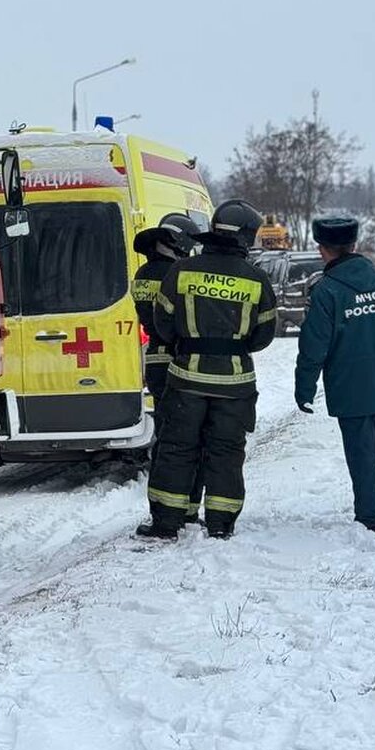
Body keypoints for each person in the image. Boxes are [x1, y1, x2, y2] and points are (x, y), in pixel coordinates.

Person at [137, 200, 277, 540]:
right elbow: (262, 337)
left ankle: (166, 523)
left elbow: (163, 323)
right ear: (245, 237)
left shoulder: (181, 272)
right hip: (235, 384)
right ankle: (220, 523)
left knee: (176, 447)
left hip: (185, 379)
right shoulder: (257, 279)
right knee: (226, 451)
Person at [294, 215, 375, 533]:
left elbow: (313, 347)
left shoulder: (327, 292)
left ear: (323, 250)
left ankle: (372, 518)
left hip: (349, 387)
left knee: (362, 451)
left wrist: (304, 389)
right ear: (354, 245)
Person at [132, 216, 201, 513]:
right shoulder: (177, 273)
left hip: (155, 361)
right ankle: (183, 504)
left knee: (165, 431)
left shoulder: (143, 273)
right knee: (186, 436)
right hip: (178, 359)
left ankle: (161, 505)